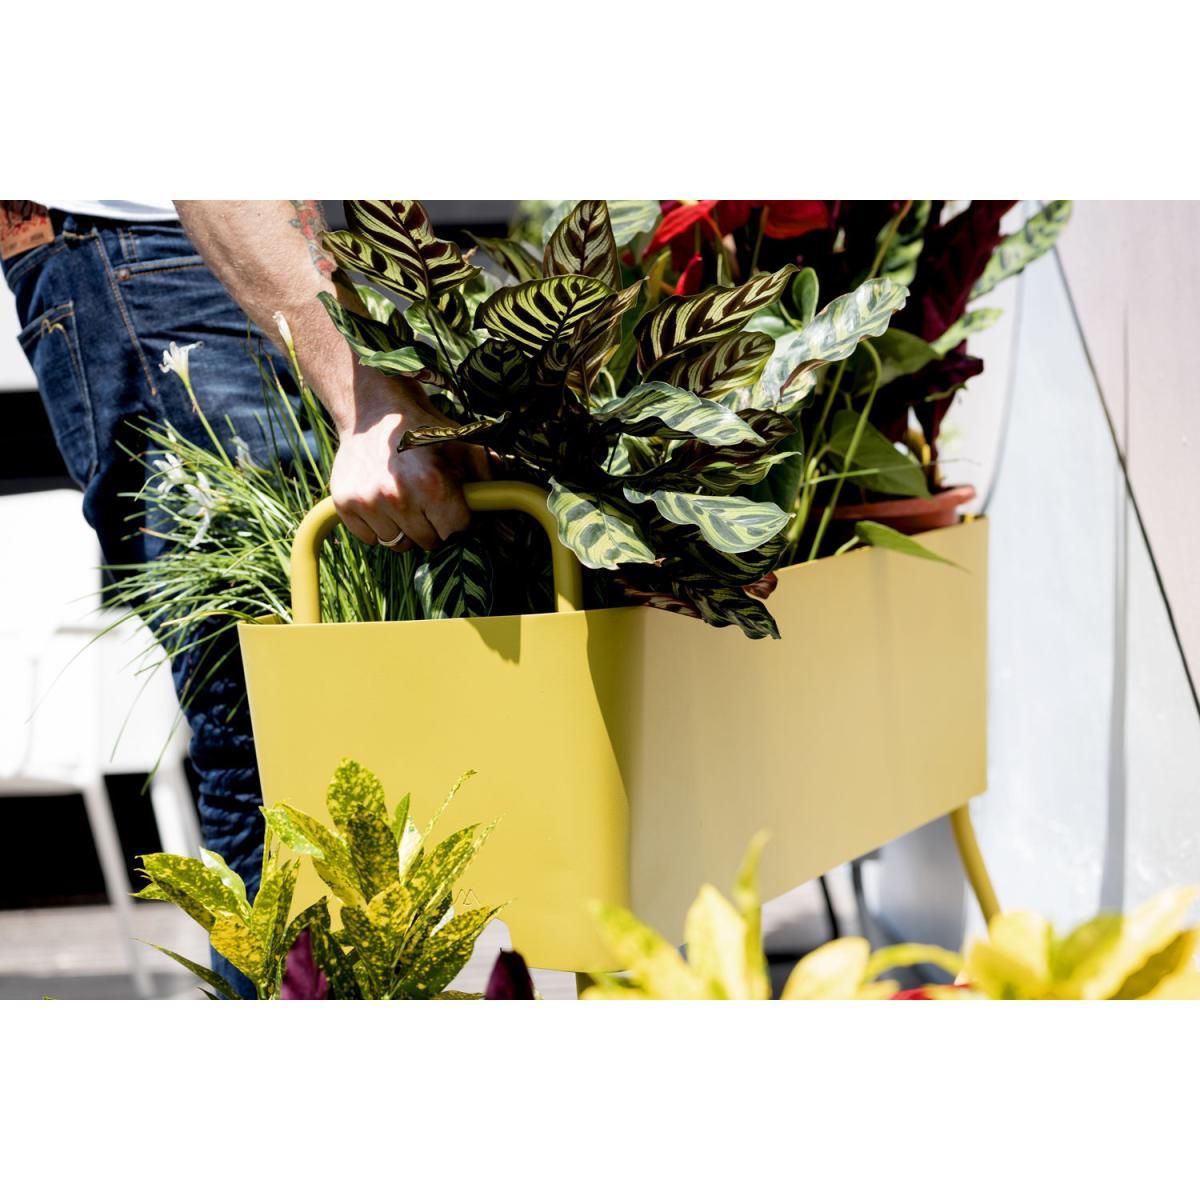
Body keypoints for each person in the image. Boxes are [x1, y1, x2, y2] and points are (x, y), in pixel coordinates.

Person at [1, 199, 484, 995]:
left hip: (291, 251)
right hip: (165, 248)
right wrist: (364, 400)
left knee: (365, 742)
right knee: (274, 746)